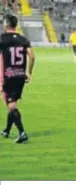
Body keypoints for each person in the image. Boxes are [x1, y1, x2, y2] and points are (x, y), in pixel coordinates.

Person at [0, 14, 35, 143]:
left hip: (8, 75)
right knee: (12, 101)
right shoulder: (23, 39)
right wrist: (29, 72)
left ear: (6, 24)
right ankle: (7, 130)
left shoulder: (2, 39)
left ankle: (22, 133)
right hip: (20, 75)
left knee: (11, 104)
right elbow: (32, 56)